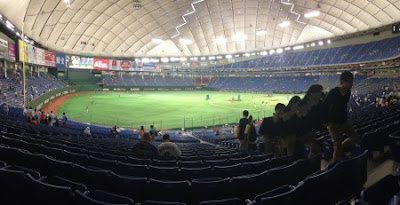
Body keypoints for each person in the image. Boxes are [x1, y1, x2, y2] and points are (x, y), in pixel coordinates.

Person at [323, 71, 359, 162]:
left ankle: (341, 146)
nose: (352, 84)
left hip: (344, 121)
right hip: (333, 124)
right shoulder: (333, 92)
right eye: (350, 82)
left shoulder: (348, 92)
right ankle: (334, 165)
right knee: (337, 148)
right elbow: (325, 106)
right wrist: (327, 121)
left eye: (352, 81)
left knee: (355, 137)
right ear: (343, 81)